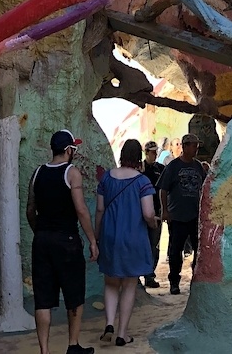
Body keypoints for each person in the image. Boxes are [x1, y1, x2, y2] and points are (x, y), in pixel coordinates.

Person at [26, 129, 98, 354]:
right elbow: (81, 209)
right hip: (67, 240)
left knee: (43, 299)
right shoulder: (72, 173)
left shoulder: (37, 173)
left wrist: (40, 231)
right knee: (74, 294)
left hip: (42, 240)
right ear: (69, 150)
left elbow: (30, 209)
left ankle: (44, 350)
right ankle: (72, 346)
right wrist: (92, 240)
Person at [95, 139, 158, 346]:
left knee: (111, 282)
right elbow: (148, 212)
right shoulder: (142, 182)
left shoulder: (106, 178)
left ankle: (109, 324)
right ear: (138, 157)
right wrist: (154, 224)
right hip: (133, 238)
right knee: (129, 285)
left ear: (122, 155)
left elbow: (100, 209)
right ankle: (122, 334)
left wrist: (96, 236)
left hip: (110, 237)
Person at [156, 133, 208, 295]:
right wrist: (165, 210)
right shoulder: (172, 167)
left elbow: (205, 188)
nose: (196, 149)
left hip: (195, 216)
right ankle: (174, 282)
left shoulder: (198, 166)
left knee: (198, 249)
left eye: (197, 146)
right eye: (193, 146)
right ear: (184, 147)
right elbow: (163, 189)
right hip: (177, 216)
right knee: (175, 250)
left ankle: (197, 280)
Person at [141, 140, 165, 288]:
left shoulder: (160, 169)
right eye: (152, 152)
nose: (155, 154)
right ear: (146, 153)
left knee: (154, 245)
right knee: (141, 244)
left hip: (156, 212)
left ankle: (150, 275)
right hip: (141, 213)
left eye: (156, 152)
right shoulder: (140, 169)